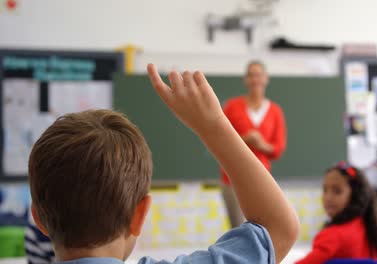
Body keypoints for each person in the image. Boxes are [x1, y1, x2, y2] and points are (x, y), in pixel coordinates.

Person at [28, 64, 299, 264]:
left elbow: (278, 147)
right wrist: (214, 126)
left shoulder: (274, 111)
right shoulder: (237, 107)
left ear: (39, 218)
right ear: (139, 215)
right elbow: (279, 229)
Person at [221, 60, 287, 228]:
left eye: (258, 75)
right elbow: (220, 139)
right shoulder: (232, 107)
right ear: (246, 79)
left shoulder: (275, 111)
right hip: (232, 178)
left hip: (262, 178)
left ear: (265, 78)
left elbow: (278, 149)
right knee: (237, 230)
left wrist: (261, 144)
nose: (255, 79)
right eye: (250, 75)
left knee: (260, 228)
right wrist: (245, 140)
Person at [295, 162, 377, 264]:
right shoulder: (372, 230)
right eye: (325, 190)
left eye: (337, 191)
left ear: (355, 196)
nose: (328, 197)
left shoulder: (332, 235)